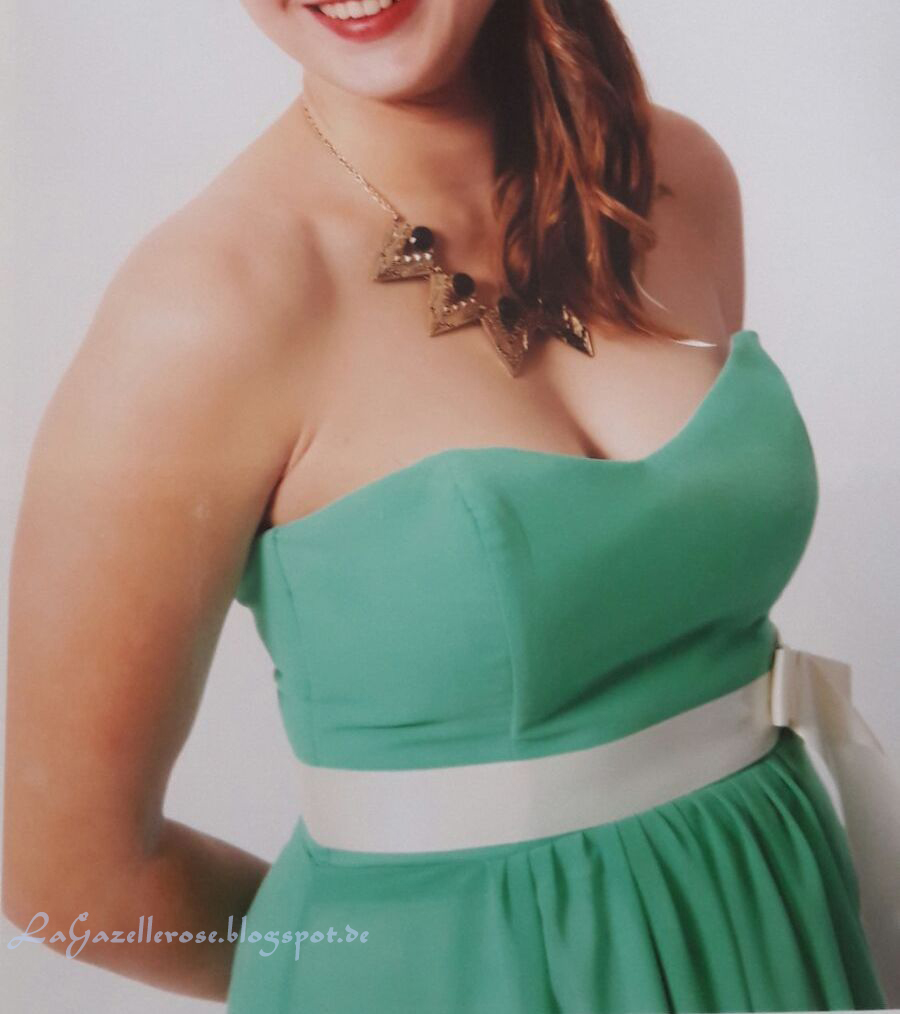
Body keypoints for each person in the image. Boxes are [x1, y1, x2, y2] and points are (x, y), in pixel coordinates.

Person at [4, 1, 896, 1011]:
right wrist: (369, 966)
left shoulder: (673, 180)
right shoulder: (206, 307)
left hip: (775, 927)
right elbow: (65, 873)